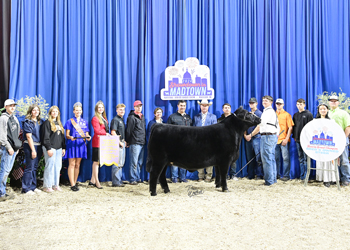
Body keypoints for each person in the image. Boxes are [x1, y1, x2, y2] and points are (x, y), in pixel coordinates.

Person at [64, 102, 91, 191]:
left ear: (81, 111)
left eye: (79, 110)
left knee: (77, 165)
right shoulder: (70, 121)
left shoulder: (85, 122)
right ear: (73, 111)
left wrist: (88, 137)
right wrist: (70, 137)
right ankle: (72, 184)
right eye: (76, 110)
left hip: (81, 144)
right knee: (71, 164)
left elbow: (86, 133)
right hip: (72, 144)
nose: (78, 112)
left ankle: (75, 183)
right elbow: (67, 134)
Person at [41, 106, 66, 193]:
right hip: (51, 148)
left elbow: (62, 137)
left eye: (56, 111)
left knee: (57, 167)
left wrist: (63, 147)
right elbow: (45, 137)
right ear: (50, 113)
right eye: (53, 111)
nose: (55, 113)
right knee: (50, 166)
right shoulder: (47, 123)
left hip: (59, 148)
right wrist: (48, 148)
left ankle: (55, 185)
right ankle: (47, 186)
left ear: (58, 113)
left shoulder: (59, 123)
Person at [0, 99, 21, 201]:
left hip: (13, 148)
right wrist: (8, 147)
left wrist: (16, 148)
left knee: (7, 170)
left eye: (14, 105)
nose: (13, 107)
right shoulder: (3, 118)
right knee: (4, 171)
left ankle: (3, 191)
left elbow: (16, 134)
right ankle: (1, 193)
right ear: (5, 107)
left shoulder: (14, 118)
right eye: (10, 105)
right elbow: (2, 135)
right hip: (7, 148)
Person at [167, 100, 192, 183]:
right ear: (178, 106)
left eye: (184, 105)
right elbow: (168, 130)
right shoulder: (172, 117)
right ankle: (174, 177)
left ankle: (182, 177)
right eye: (181, 105)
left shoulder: (188, 117)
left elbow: (191, 130)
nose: (182, 107)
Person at [328, 95, 350, 186]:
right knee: (332, 160)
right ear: (329, 102)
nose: (333, 102)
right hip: (330, 141)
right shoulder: (327, 113)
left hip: (342, 139)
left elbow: (348, 127)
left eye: (335, 101)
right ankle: (335, 178)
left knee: (344, 160)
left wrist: (344, 139)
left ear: (338, 102)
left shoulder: (343, 113)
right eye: (331, 101)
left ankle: (346, 179)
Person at [193, 99, 217, 182]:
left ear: (208, 107)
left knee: (209, 159)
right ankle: (200, 176)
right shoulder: (196, 117)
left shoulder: (213, 117)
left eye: (206, 105)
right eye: (202, 105)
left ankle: (208, 176)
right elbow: (193, 129)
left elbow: (214, 129)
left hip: (209, 141)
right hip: (198, 141)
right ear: (200, 106)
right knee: (199, 158)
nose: (204, 107)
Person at [22, 104, 43, 195]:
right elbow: (28, 137)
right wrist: (33, 150)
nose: (36, 112)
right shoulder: (28, 121)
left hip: (38, 146)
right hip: (31, 146)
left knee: (34, 167)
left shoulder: (40, 122)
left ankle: (33, 187)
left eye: (37, 110)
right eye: (34, 110)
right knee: (29, 167)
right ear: (30, 111)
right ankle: (26, 188)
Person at [315, 103, 337, 187]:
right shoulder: (315, 121)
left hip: (329, 144)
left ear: (327, 110)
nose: (323, 110)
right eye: (321, 109)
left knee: (329, 161)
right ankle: (325, 179)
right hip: (319, 144)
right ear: (319, 111)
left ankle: (332, 178)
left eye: (324, 109)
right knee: (322, 161)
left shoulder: (332, 121)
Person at [260, 96, 279, 186]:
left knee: (267, 159)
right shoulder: (272, 112)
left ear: (271, 102)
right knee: (271, 158)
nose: (264, 102)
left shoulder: (268, 112)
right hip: (272, 136)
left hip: (267, 136)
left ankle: (269, 181)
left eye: (266, 101)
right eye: (263, 101)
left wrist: (251, 134)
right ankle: (273, 179)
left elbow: (261, 123)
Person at [292, 98, 313, 180]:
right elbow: (294, 127)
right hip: (297, 139)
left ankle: (307, 176)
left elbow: (311, 127)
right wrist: (294, 136)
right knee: (300, 158)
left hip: (306, 140)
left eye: (301, 104)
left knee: (306, 158)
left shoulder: (308, 114)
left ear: (304, 105)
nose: (299, 106)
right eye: (298, 104)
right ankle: (302, 176)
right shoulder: (295, 115)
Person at [126, 100, 146, 185]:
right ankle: (132, 178)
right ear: (134, 107)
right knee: (134, 162)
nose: (139, 108)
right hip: (135, 142)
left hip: (142, 142)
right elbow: (129, 130)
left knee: (140, 162)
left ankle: (137, 177)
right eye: (137, 106)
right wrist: (128, 141)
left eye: (140, 106)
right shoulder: (132, 117)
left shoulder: (142, 116)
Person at [243, 97, 263, 180]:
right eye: (250, 103)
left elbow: (259, 127)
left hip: (256, 137)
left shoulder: (259, 114)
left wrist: (250, 135)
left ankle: (259, 175)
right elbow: (244, 125)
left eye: (253, 103)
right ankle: (250, 174)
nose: (251, 104)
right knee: (249, 157)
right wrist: (245, 135)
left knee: (258, 157)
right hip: (248, 138)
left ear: (256, 104)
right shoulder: (247, 114)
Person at [91, 100, 109, 189]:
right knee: (96, 162)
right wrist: (105, 133)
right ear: (96, 109)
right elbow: (97, 131)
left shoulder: (104, 118)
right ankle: (97, 181)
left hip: (103, 142)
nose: (101, 109)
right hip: (97, 143)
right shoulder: (95, 118)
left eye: (102, 107)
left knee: (98, 161)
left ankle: (92, 180)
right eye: (99, 107)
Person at [275, 98, 294, 181]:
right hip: (275, 140)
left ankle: (286, 175)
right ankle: (276, 174)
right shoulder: (273, 114)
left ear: (283, 105)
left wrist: (287, 138)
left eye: (280, 104)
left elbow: (290, 128)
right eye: (277, 104)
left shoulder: (287, 115)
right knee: (276, 158)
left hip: (283, 139)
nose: (279, 105)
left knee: (285, 158)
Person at [218, 103, 238, 181]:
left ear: (230, 109)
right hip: (222, 142)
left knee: (232, 159)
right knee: (222, 159)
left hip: (232, 141)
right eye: (225, 108)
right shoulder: (219, 120)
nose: (227, 109)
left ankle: (233, 175)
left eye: (228, 107)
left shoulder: (235, 120)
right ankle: (224, 175)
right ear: (223, 110)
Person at [110, 103, 127, 187]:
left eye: (123, 110)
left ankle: (119, 180)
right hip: (118, 143)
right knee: (117, 163)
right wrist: (119, 142)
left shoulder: (121, 119)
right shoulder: (115, 120)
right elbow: (113, 132)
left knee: (121, 163)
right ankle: (116, 182)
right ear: (117, 110)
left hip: (122, 142)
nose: (122, 111)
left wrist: (124, 141)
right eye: (120, 109)